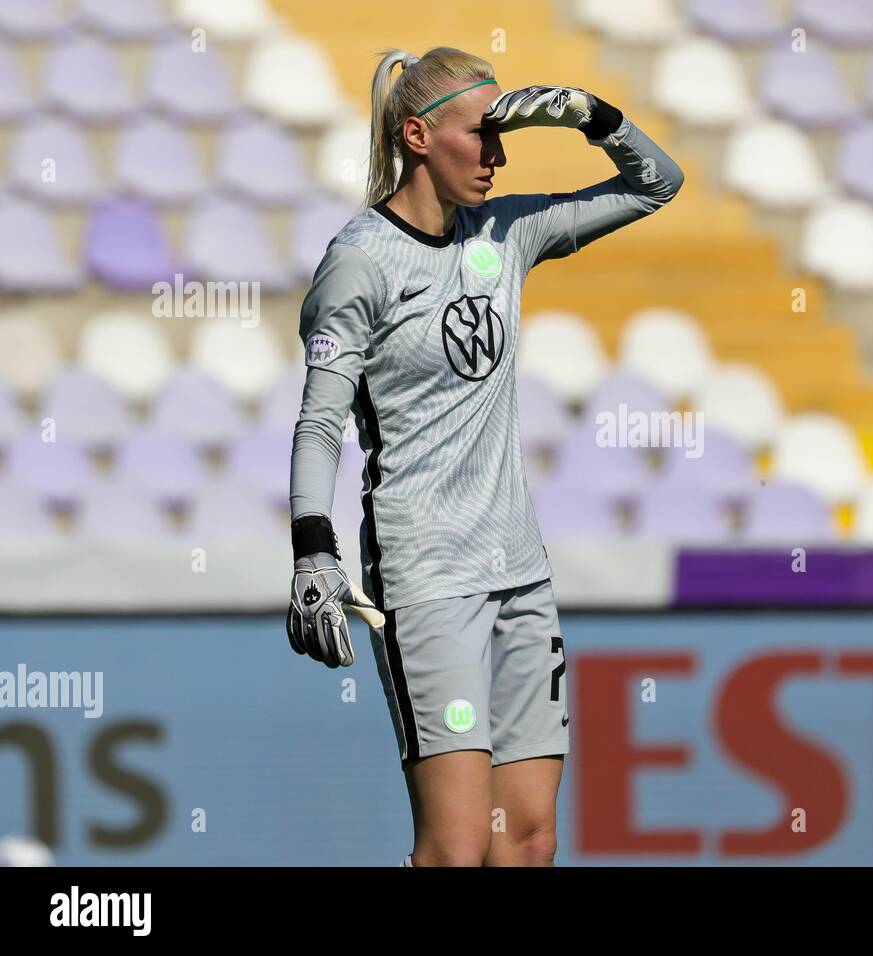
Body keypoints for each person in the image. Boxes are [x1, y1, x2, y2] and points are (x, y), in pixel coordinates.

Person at [284, 46, 684, 866]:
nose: (499, 156)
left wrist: (592, 117)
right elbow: (320, 420)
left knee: (529, 840)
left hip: (520, 573)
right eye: (483, 135)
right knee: (458, 847)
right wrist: (312, 550)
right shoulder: (359, 260)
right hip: (428, 577)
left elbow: (657, 183)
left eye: (505, 137)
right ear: (419, 135)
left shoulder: (507, 230)